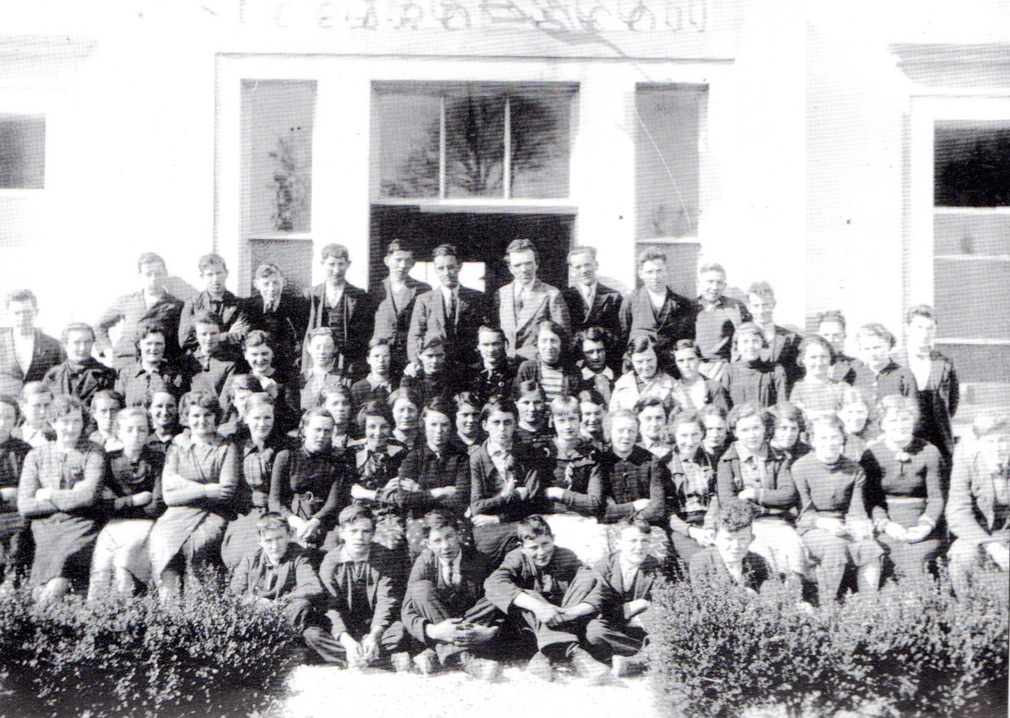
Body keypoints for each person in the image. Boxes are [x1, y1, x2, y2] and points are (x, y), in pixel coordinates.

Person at [483, 515, 609, 684]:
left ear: (553, 539)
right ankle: (575, 654)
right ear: (522, 547)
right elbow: (493, 583)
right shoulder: (517, 558)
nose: (541, 553)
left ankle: (545, 654)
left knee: (587, 578)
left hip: (566, 618)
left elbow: (596, 583)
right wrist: (537, 606)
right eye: (533, 547)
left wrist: (572, 612)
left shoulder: (565, 555)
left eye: (545, 544)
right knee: (530, 595)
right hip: (529, 628)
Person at [148, 391, 238, 602]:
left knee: (197, 545)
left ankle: (198, 607)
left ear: (216, 417)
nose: (201, 421)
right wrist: (206, 490)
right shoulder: (177, 446)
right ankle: (168, 606)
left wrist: (184, 488)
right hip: (177, 514)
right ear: (187, 418)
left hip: (213, 513)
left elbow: (225, 492)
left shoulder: (226, 447)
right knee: (161, 541)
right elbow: (169, 497)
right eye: (195, 416)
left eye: (207, 415)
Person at [17, 396, 103, 602]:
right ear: (54, 423)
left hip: (80, 524)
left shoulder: (93, 451)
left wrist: (50, 494)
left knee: (58, 580)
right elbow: (26, 505)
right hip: (45, 526)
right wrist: (72, 495)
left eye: (76, 421)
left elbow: (89, 496)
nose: (71, 428)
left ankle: (45, 619)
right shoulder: (36, 455)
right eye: (65, 421)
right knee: (40, 587)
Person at [792, 414, 883, 603]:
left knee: (869, 547)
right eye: (823, 438)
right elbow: (803, 512)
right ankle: (826, 605)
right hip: (812, 526)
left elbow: (856, 509)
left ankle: (869, 605)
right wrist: (824, 523)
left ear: (843, 439)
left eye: (835, 437)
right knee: (834, 546)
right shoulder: (801, 467)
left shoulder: (854, 469)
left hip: (844, 524)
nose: (830, 443)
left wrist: (859, 524)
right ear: (813, 440)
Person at [308, 504, 410, 670]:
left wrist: (374, 636)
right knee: (312, 635)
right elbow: (331, 607)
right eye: (353, 531)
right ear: (342, 533)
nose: (359, 537)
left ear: (373, 533)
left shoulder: (385, 557)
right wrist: (346, 641)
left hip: (377, 625)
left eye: (365, 531)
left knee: (402, 629)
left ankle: (360, 656)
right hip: (347, 626)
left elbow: (387, 600)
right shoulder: (330, 562)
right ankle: (370, 656)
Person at [401, 510, 501, 679]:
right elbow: (407, 609)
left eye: (449, 537)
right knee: (420, 589)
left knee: (494, 594)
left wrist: (491, 630)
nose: (445, 546)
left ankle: (435, 652)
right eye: (437, 541)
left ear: (459, 535)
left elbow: (498, 602)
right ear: (427, 543)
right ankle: (464, 658)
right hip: (438, 619)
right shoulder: (424, 562)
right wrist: (432, 631)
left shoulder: (479, 560)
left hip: (472, 620)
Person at [716, 403, 805, 591]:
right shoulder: (728, 461)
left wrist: (755, 494)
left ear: (765, 428)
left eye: (756, 428)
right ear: (735, 432)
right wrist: (765, 507)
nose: (752, 434)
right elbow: (728, 500)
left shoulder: (779, 457)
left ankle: (793, 600)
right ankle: (768, 599)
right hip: (748, 524)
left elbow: (787, 494)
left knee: (793, 549)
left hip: (778, 522)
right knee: (762, 553)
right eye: (745, 430)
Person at [861, 395, 943, 584]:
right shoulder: (872, 454)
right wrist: (886, 525)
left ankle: (921, 605)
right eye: (892, 420)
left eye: (905, 419)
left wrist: (925, 526)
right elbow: (871, 501)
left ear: (913, 420)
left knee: (917, 554)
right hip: (888, 524)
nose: (900, 425)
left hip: (922, 523)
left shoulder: (930, 452)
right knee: (889, 552)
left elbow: (937, 497)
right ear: (882, 424)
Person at [88, 407, 165, 599]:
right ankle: (97, 617)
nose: (136, 435)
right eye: (129, 429)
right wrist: (133, 501)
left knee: (124, 564)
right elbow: (103, 504)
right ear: (119, 432)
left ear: (148, 432)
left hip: (146, 524)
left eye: (141, 429)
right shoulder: (109, 460)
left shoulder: (158, 459)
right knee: (101, 565)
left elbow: (157, 503)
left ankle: (131, 614)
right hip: (114, 524)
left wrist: (120, 506)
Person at [576, 518, 662, 676]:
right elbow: (599, 607)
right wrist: (631, 608)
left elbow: (663, 604)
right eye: (633, 541)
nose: (639, 547)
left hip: (641, 626)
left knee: (662, 625)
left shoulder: (656, 566)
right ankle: (649, 656)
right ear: (619, 543)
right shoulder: (604, 565)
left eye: (645, 541)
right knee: (594, 632)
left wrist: (643, 613)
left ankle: (633, 661)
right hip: (612, 627)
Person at [469, 396, 547, 563]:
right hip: (487, 527)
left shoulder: (528, 454)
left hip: (519, 521)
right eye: (496, 423)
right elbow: (477, 506)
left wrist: (498, 518)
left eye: (508, 422)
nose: (502, 429)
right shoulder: (477, 458)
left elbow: (534, 500)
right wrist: (515, 496)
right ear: (485, 425)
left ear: (515, 423)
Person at [229, 512, 327, 643]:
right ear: (259, 541)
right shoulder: (251, 559)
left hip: (286, 611)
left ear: (289, 535)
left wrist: (279, 603)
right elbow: (235, 591)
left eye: (279, 538)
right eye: (269, 540)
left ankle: (275, 641)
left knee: (302, 605)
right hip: (257, 611)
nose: (275, 546)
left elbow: (312, 587)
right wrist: (257, 601)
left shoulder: (299, 556)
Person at [392, 397, 471, 556]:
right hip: (420, 519)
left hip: (452, 519)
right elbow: (404, 499)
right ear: (424, 425)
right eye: (433, 424)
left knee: (461, 546)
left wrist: (420, 492)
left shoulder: (461, 458)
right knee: (421, 549)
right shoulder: (413, 458)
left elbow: (461, 499)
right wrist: (439, 491)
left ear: (451, 426)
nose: (439, 431)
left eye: (444, 425)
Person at [221, 394, 290, 572]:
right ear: (246, 418)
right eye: (256, 418)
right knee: (239, 552)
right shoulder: (235, 445)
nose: (262, 423)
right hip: (246, 512)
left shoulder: (285, 446)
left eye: (267, 417)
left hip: (278, 510)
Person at [945, 412, 1010, 597]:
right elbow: (958, 513)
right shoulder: (967, 464)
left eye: (1004, 440)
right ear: (979, 443)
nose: (998, 448)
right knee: (961, 554)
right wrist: (991, 545)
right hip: (982, 535)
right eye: (990, 442)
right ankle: (970, 616)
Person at [269, 408, 347, 552]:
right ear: (304, 429)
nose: (322, 435)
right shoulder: (286, 457)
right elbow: (274, 501)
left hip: (324, 519)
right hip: (293, 517)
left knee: (332, 548)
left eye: (327, 431)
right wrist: (297, 523)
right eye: (317, 430)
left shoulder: (337, 461)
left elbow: (334, 501)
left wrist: (314, 522)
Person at [542, 396, 608, 564]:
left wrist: (559, 493)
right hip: (551, 519)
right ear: (552, 421)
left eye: (572, 419)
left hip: (583, 519)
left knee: (595, 557)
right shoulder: (543, 453)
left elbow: (594, 502)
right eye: (561, 420)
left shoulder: (592, 454)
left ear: (580, 420)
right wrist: (577, 500)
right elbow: (538, 498)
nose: (567, 426)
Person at [406, 244, 490, 370]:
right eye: (441, 268)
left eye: (450, 267)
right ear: (435, 269)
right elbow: (415, 336)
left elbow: (486, 334)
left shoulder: (477, 297)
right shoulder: (424, 300)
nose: (446, 273)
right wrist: (416, 362)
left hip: (469, 366)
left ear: (459, 266)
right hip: (436, 366)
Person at [96, 252, 184, 370]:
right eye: (148, 274)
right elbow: (99, 326)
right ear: (140, 275)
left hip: (158, 364)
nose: (153, 279)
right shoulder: (126, 301)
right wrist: (107, 350)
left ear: (165, 274)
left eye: (158, 274)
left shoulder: (176, 305)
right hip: (125, 361)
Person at [600, 411, 669, 551]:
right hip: (610, 526)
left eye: (631, 431)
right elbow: (600, 510)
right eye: (620, 430)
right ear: (610, 432)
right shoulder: (600, 461)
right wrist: (635, 506)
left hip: (646, 524)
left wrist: (622, 515)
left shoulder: (651, 461)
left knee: (653, 554)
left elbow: (657, 507)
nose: (626, 436)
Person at [304, 243, 374, 378]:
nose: (336, 270)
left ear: (348, 264)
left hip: (349, 361)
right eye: (331, 264)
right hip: (320, 357)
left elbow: (365, 332)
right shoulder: (311, 295)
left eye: (341, 264)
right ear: (322, 264)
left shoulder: (359, 296)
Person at [902, 305, 959, 469]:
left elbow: (952, 404)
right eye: (919, 327)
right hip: (904, 435)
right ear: (907, 328)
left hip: (938, 436)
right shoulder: (894, 361)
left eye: (930, 328)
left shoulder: (945, 362)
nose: (924, 334)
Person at [496, 239, 571, 362]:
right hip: (506, 366)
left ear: (537, 264)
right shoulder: (500, 294)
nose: (524, 269)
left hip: (537, 366)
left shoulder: (552, 294)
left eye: (528, 263)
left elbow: (563, 338)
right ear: (510, 268)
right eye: (517, 265)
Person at [667, 411, 718, 572]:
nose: (689, 442)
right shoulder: (664, 465)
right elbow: (666, 509)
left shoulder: (713, 460)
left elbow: (716, 496)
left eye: (694, 434)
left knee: (723, 553)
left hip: (712, 521)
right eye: (683, 435)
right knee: (700, 559)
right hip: (681, 525)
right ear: (674, 435)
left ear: (702, 434)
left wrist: (709, 526)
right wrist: (692, 532)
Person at [371, 240, 431, 376]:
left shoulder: (423, 289)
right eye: (398, 260)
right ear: (387, 261)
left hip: (410, 357)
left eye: (407, 261)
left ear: (413, 263)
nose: (403, 266)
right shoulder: (375, 290)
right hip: (382, 357)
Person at [688, 499, 773, 595]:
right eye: (728, 539)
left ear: (751, 538)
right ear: (715, 538)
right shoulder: (701, 561)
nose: (736, 546)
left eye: (743, 539)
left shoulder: (757, 561)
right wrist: (743, 593)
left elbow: (771, 589)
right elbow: (704, 597)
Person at [618, 251, 694, 354]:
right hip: (640, 364)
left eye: (659, 271)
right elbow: (622, 336)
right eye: (650, 272)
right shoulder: (631, 301)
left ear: (666, 271)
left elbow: (686, 339)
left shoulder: (682, 303)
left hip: (670, 365)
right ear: (641, 274)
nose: (655, 277)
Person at [178, 253, 249, 361]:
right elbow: (185, 340)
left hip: (231, 361)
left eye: (219, 273)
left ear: (226, 273)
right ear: (202, 276)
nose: (215, 279)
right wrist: (224, 336)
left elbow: (242, 337)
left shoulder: (239, 304)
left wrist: (205, 338)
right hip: (200, 363)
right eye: (210, 274)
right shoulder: (193, 304)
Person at [562, 247, 623, 368]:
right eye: (578, 267)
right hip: (575, 363)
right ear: (572, 270)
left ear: (596, 265)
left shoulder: (613, 296)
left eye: (587, 265)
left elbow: (619, 332)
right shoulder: (564, 297)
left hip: (606, 362)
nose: (584, 270)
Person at [243, 262, 309, 373]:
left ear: (283, 282)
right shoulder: (248, 307)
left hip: (288, 366)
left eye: (276, 283)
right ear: (256, 284)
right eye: (266, 284)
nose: (272, 288)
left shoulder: (297, 306)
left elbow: (302, 338)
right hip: (258, 365)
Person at [0, 289, 65, 397]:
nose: (22, 318)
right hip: (5, 407)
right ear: (7, 314)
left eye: (27, 312)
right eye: (17, 313)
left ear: (36, 312)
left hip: (39, 406)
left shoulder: (53, 345)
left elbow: (61, 378)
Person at [693, 263, 752, 380]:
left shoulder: (735, 306)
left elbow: (747, 335)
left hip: (727, 369)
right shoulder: (689, 308)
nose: (714, 287)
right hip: (696, 368)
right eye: (710, 281)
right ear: (698, 283)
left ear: (724, 285)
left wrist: (731, 367)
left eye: (719, 282)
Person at [0, 395, 32, 590]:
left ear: (16, 420)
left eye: (8, 417)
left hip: (16, 514)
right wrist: (3, 494)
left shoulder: (23, 450)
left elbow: (31, 487)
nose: (2, 423)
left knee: (19, 536)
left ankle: (12, 587)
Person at [114, 322, 188, 407]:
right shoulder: (126, 374)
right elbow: (119, 406)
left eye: (158, 344)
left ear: (164, 345)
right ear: (139, 345)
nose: (153, 348)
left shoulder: (175, 374)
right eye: (148, 344)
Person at [42, 323, 115, 407]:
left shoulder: (106, 374)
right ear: (65, 345)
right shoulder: (53, 375)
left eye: (87, 342)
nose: (83, 348)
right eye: (77, 342)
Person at [242, 330, 300, 434]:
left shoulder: (286, 378)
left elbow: (294, 420)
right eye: (254, 354)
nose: (260, 359)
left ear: (272, 353)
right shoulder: (243, 381)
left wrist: (275, 395)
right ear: (246, 355)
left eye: (264, 354)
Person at [746, 282, 802, 389]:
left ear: (774, 304)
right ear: (749, 307)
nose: (761, 311)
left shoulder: (791, 338)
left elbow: (797, 373)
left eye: (765, 305)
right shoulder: (739, 336)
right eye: (756, 306)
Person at [720, 323, 787, 409]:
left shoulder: (775, 371)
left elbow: (783, 406)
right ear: (737, 346)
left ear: (762, 343)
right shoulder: (729, 371)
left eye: (755, 341)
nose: (751, 346)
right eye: (745, 341)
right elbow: (725, 407)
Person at [180, 311, 237, 407]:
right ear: (195, 335)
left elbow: (226, 399)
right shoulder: (187, 361)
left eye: (213, 333)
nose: (209, 338)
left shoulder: (230, 362)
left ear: (220, 333)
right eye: (204, 334)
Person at [514, 320, 582, 402]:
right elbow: (521, 400)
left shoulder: (573, 371)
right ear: (537, 344)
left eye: (553, 340)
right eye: (544, 341)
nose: (549, 346)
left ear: (561, 343)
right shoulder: (527, 368)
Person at [609, 335, 678, 414]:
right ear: (631, 361)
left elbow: (685, 414)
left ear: (657, 357)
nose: (645, 366)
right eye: (639, 362)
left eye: (649, 360)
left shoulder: (671, 383)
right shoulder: (622, 383)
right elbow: (612, 418)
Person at [852, 323, 914, 405]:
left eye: (876, 347)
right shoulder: (856, 375)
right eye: (867, 349)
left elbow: (912, 410)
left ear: (888, 345)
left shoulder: (904, 375)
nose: (872, 353)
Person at [789, 335, 844, 419]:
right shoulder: (798, 389)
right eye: (813, 357)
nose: (819, 362)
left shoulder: (842, 387)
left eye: (823, 357)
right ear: (803, 359)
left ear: (830, 358)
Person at [669, 339, 729, 414]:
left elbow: (723, 416)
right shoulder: (671, 388)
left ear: (699, 360)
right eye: (681, 361)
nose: (686, 365)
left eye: (691, 359)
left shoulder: (713, 387)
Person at [468, 325, 520, 406]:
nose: (491, 350)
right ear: (478, 346)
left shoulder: (515, 372)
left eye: (495, 344)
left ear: (504, 344)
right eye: (485, 345)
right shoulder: (469, 372)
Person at [300, 328, 349, 412]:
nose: (322, 351)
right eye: (317, 347)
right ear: (309, 348)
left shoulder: (345, 378)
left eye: (328, 347)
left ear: (335, 349)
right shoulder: (300, 379)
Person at [401, 337, 456, 408]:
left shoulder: (454, 376)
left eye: (439, 355)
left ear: (445, 354)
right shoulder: (411, 378)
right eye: (430, 356)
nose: (435, 361)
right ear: (419, 355)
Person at [351, 338, 396, 411]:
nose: (381, 360)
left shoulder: (397, 385)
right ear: (368, 359)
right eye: (376, 356)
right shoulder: (358, 388)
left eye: (386, 356)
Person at [216, 374, 264, 439]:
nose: (246, 403)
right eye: (242, 398)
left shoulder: (266, 426)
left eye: (250, 397)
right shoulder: (224, 431)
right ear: (234, 401)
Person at [816, 310, 858, 385]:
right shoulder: (806, 364)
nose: (830, 340)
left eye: (836, 335)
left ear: (844, 336)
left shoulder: (855, 365)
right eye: (826, 335)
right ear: (818, 336)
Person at [577, 327, 616, 404]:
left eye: (600, 351)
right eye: (589, 352)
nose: (595, 356)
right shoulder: (577, 379)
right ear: (582, 354)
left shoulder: (617, 376)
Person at [513, 380, 552, 452]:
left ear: (544, 403)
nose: (532, 409)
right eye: (526, 403)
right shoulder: (512, 433)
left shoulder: (553, 431)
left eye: (537, 403)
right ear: (516, 403)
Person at [838, 386, 874, 462]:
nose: (856, 417)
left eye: (860, 412)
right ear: (839, 413)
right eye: (850, 412)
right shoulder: (833, 441)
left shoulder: (875, 440)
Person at [14, 382, 54, 448]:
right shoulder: (13, 436)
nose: (42, 411)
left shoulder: (61, 434)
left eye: (47, 405)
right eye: (37, 406)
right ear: (22, 406)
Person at [145, 390, 181, 455]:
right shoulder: (144, 441)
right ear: (149, 408)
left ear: (176, 408)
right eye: (159, 406)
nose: (165, 412)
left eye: (170, 406)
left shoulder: (183, 438)